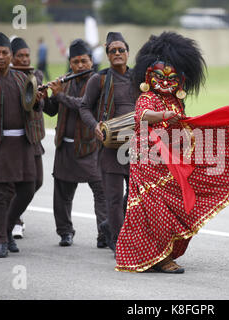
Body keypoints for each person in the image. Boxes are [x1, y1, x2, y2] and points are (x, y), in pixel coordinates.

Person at [114, 32, 229, 273]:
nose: (165, 82)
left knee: (179, 206)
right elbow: (141, 117)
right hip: (148, 161)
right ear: (147, 76)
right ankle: (159, 258)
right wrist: (165, 116)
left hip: (172, 161)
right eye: (159, 76)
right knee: (155, 208)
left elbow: (181, 126)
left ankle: (160, 253)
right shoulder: (148, 97)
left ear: (181, 81)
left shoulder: (176, 102)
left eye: (171, 78)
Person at [0, 32, 44, 258]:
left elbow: (35, 108)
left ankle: (8, 227)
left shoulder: (23, 79)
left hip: (22, 143)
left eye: (5, 53)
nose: (1, 57)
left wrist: (39, 100)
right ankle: (1, 241)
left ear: (11, 56)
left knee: (28, 189)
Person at [42, 39, 107, 248]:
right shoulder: (65, 80)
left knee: (101, 190)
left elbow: (82, 105)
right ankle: (65, 232)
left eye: (84, 61)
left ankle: (104, 234)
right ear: (70, 63)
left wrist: (60, 95)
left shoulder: (98, 82)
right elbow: (52, 109)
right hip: (65, 147)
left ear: (91, 61)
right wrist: (43, 98)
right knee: (62, 193)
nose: (80, 65)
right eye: (76, 62)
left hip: (89, 146)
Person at [79, 32, 137, 253]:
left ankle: (107, 225)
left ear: (127, 53)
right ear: (107, 55)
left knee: (134, 195)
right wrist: (94, 125)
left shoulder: (138, 79)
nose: (117, 53)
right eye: (112, 51)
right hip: (111, 147)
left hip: (135, 148)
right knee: (112, 198)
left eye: (121, 50)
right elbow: (84, 107)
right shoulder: (99, 79)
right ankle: (117, 239)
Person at [10, 37, 46, 239]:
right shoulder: (6, 77)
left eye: (26, 55)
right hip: (13, 140)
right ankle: (14, 221)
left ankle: (9, 213)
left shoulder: (36, 74)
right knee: (19, 183)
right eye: (20, 56)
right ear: (12, 58)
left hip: (33, 137)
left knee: (37, 182)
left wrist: (41, 98)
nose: (24, 59)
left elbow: (38, 106)